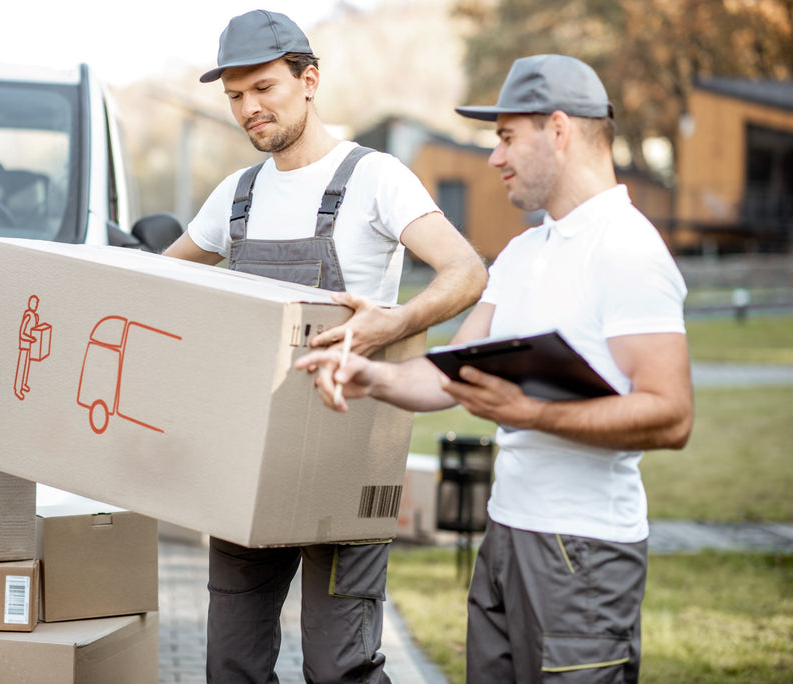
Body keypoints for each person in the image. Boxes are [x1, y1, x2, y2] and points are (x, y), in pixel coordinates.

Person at [296, 54, 694, 682]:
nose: (495, 157)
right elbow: (451, 373)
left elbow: (670, 415)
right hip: (505, 534)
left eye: (507, 137)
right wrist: (371, 375)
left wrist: (531, 414)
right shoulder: (523, 251)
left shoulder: (626, 250)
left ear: (558, 130)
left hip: (584, 553)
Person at [163, 9, 488, 683]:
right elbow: (156, 283)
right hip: (248, 458)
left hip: (347, 455)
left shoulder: (374, 178)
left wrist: (391, 325)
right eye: (235, 97)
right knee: (230, 665)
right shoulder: (236, 197)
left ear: (309, 80)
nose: (248, 108)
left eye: (263, 89)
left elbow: (466, 272)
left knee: (338, 666)